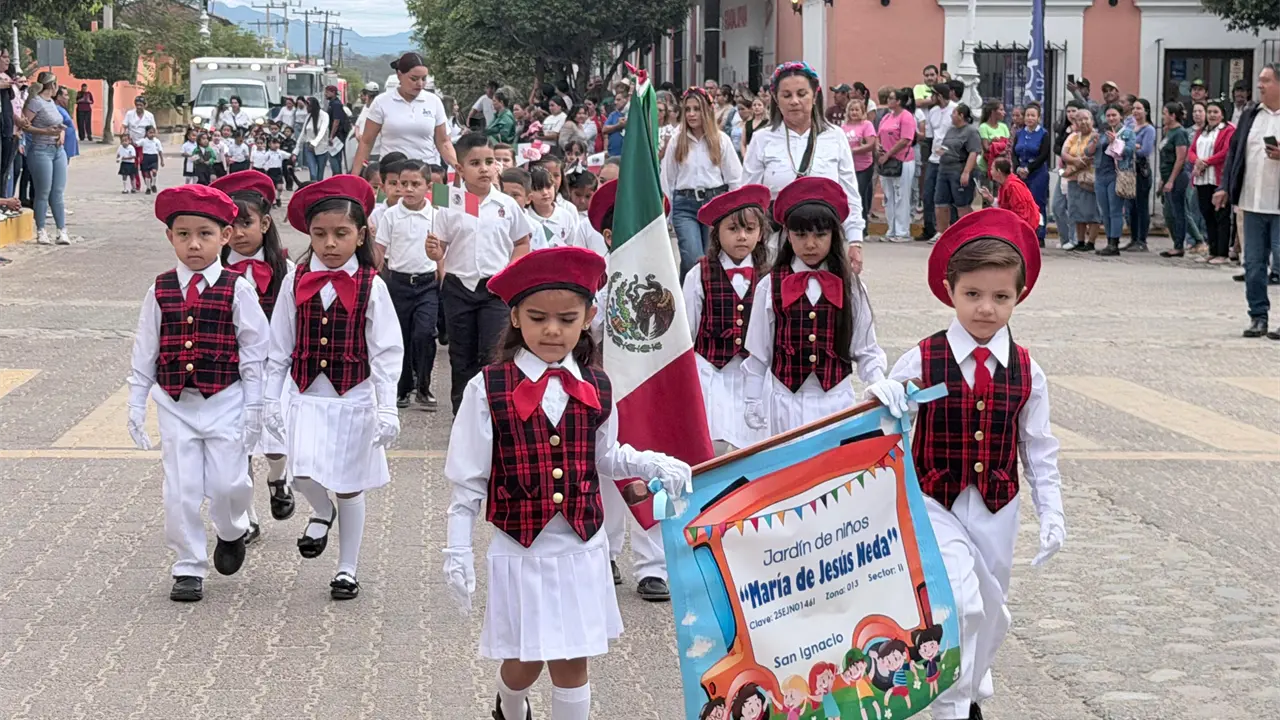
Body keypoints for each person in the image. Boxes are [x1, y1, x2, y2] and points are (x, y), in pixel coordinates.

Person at [442, 245, 692, 720]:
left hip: (581, 543)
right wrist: (456, 549)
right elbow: (469, 478)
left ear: (589, 317)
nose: (552, 330)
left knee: (573, 658)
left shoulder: (597, 384)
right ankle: (509, 704)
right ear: (515, 316)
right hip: (521, 547)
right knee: (525, 661)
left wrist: (649, 463)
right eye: (538, 318)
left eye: (566, 318)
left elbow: (603, 454)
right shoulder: (487, 387)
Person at [878, 208, 1064, 720]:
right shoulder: (922, 357)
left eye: (1001, 297)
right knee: (961, 604)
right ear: (950, 290)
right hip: (934, 501)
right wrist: (886, 402)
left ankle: (971, 680)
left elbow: (1038, 447)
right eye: (973, 295)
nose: (986, 309)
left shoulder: (1028, 370)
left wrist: (1054, 513)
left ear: (1018, 296)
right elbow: (886, 427)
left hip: (997, 505)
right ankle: (953, 706)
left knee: (993, 608)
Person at [126, 184, 270, 602]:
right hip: (176, 403)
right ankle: (188, 565)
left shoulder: (237, 288)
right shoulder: (160, 290)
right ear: (169, 237)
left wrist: (256, 406)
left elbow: (255, 351)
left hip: (226, 399)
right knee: (181, 488)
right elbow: (144, 350)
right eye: (184, 234)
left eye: (205, 234)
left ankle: (231, 529)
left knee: (229, 485)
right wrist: (137, 404)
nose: (194, 244)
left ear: (224, 236)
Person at [264, 176, 404, 601]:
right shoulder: (295, 279)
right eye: (320, 234)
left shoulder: (371, 285)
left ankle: (347, 568)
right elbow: (279, 343)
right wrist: (271, 397)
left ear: (360, 235)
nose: (329, 243)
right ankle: (321, 511)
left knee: (348, 483)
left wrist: (387, 407)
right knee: (301, 471)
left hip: (354, 395)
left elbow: (386, 352)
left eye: (341, 234)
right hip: (306, 392)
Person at [742, 177, 889, 436]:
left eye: (820, 235)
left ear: (834, 235)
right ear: (788, 236)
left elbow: (866, 349)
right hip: (785, 401)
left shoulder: (851, 286)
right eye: (800, 235)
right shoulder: (770, 285)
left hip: (835, 402)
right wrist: (752, 399)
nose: (810, 244)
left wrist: (878, 384)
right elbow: (758, 351)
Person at [209, 170, 297, 539]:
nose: (240, 233)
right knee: (237, 444)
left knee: (275, 441)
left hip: (277, 369)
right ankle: (247, 517)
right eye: (231, 225)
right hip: (232, 371)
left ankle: (279, 480)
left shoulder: (287, 271)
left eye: (246, 223)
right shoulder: (215, 273)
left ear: (264, 223)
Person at [425, 133, 534, 412]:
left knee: (493, 354)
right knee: (461, 356)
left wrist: (510, 273)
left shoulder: (506, 205)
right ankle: (462, 415)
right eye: (475, 163)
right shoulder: (452, 203)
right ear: (460, 170)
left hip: (495, 290)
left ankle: (493, 414)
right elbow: (441, 247)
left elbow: (521, 242)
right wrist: (435, 251)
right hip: (459, 288)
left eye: (490, 161)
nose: (484, 168)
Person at [743, 62, 866, 272]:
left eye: (802, 94)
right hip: (777, 244)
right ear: (775, 98)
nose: (795, 102)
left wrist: (855, 240)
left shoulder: (834, 136)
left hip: (825, 241)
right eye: (787, 95)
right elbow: (748, 195)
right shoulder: (763, 138)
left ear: (814, 95)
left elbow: (849, 193)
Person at [683, 184, 771, 454]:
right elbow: (688, 332)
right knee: (714, 444)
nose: (742, 237)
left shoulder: (769, 277)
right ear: (717, 233)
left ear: (760, 233)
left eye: (750, 229)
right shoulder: (698, 275)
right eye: (733, 229)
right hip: (712, 373)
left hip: (753, 376)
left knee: (754, 446)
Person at [1214, 63, 1280, 339]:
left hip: (1278, 206)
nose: (1260, 85)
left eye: (1265, 80)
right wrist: (1225, 187)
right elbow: (1235, 154)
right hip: (1251, 204)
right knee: (1252, 265)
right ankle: (1258, 317)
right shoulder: (1251, 115)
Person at [369, 159, 441, 410]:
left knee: (424, 334)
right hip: (397, 284)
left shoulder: (436, 215)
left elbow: (443, 252)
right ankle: (403, 388)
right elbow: (379, 251)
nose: (408, 189)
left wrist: (443, 280)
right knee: (400, 338)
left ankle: (423, 386)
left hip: (426, 285)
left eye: (415, 184)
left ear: (428, 186)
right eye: (404, 184)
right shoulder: (390, 215)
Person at [662, 86, 744, 279]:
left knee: (710, 260)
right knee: (692, 258)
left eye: (696, 109)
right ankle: (685, 302)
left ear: (706, 111)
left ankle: (704, 302)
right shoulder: (677, 141)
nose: (691, 114)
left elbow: (734, 178)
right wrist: (667, 215)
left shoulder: (720, 140)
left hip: (714, 203)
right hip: (685, 204)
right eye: (688, 109)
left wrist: (736, 211)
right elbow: (667, 179)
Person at [354, 53, 458, 175]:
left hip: (425, 175)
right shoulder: (381, 102)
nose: (420, 84)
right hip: (392, 175)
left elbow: (444, 142)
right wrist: (355, 177)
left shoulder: (434, 101)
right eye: (414, 79)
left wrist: (456, 165)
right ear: (399, 75)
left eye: (423, 79)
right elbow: (366, 142)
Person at [19, 72, 71, 245]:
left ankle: (61, 230)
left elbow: (57, 123)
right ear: (52, 85)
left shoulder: (51, 104)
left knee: (57, 192)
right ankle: (41, 230)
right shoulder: (36, 102)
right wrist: (46, 132)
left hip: (57, 150)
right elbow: (25, 125)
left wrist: (60, 132)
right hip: (41, 149)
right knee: (43, 192)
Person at [1190, 100, 1235, 265]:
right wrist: (1197, 161)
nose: (1212, 115)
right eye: (1209, 112)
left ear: (1222, 114)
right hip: (1202, 178)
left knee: (1221, 216)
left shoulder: (1228, 130)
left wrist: (1207, 161)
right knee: (1207, 213)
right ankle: (1212, 250)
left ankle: (1222, 253)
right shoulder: (1202, 131)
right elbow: (1192, 150)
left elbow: (1226, 152)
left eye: (1215, 112)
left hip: (1218, 178)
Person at [1092, 104, 1135, 257]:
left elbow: (1130, 151)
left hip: (1116, 174)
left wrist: (1116, 142)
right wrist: (1093, 141)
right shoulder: (1102, 132)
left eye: (1114, 115)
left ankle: (1114, 243)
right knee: (1105, 211)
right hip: (1100, 174)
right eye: (1108, 115)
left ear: (1121, 116)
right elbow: (1090, 151)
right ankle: (1109, 240)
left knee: (1115, 210)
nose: (1111, 118)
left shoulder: (1127, 132)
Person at [876, 88, 918, 244]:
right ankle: (891, 228)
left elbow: (906, 140)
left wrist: (888, 154)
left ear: (899, 101)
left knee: (901, 196)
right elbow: (879, 135)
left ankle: (902, 231)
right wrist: (879, 148)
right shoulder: (887, 116)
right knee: (888, 196)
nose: (888, 100)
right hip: (886, 161)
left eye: (891, 98)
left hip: (902, 160)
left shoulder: (906, 117)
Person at [935, 104, 982, 233]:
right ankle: (942, 233)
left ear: (961, 115)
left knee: (962, 204)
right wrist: (941, 151)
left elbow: (973, 152)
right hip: (944, 169)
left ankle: (969, 233)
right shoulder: (950, 130)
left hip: (959, 169)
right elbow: (947, 146)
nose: (951, 116)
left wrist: (966, 172)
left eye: (954, 113)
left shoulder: (971, 131)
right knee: (940, 203)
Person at [919, 83, 957, 242]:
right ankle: (930, 228)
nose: (930, 98)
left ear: (939, 96)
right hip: (934, 159)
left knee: (951, 196)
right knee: (928, 194)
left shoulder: (956, 109)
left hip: (950, 159)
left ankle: (953, 229)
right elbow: (929, 135)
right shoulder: (933, 112)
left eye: (932, 95)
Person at [1061, 110, 1100, 252]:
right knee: (1077, 211)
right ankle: (1080, 240)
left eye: (1086, 119)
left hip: (1090, 179)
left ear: (1092, 120)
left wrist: (1080, 162)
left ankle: (1091, 242)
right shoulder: (1073, 137)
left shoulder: (1096, 136)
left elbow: (1092, 156)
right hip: (1073, 178)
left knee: (1092, 211)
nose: (1083, 122)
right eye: (1079, 120)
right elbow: (1064, 153)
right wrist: (1075, 161)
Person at [1011, 102, 1049, 244]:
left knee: (1038, 203)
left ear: (1038, 118)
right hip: (1021, 172)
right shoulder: (1020, 133)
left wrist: (1029, 168)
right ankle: (1024, 232)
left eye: (1033, 115)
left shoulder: (1043, 134)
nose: (1030, 118)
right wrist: (1017, 168)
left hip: (1037, 172)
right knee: (1021, 204)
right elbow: (1014, 152)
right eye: (1027, 115)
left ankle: (1039, 234)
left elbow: (1044, 154)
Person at [1158, 101, 1192, 258]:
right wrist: (1163, 179)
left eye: (1165, 113)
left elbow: (1180, 158)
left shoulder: (1180, 133)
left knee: (1178, 211)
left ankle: (1179, 245)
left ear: (1173, 115)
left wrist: (1171, 179)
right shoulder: (1168, 132)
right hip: (1166, 175)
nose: (1163, 116)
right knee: (1169, 212)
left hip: (1177, 177)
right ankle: (1176, 242)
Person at [1122, 98, 1156, 252]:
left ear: (1146, 111)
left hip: (1141, 170)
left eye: (1139, 108)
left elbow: (1145, 150)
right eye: (1134, 108)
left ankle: (1142, 240)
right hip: (1128, 170)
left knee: (1141, 206)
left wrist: (1131, 147)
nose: (1136, 111)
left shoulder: (1149, 129)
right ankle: (1133, 238)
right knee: (1130, 207)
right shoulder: (1128, 126)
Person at [525, 165, 579, 250]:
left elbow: (573, 245)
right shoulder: (525, 218)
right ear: (528, 193)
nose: (545, 192)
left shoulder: (566, 216)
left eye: (548, 187)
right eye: (538, 189)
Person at [980, 157, 1040, 232]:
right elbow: (1005, 207)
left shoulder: (1013, 187)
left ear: (998, 171)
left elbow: (1021, 215)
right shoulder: (1005, 184)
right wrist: (990, 198)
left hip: (1026, 228)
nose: (990, 171)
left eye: (992, 169)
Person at [843, 99, 877, 226]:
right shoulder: (844, 127)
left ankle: (863, 227)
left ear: (862, 111)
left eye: (857, 110)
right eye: (852, 110)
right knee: (848, 196)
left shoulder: (866, 125)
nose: (854, 112)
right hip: (848, 166)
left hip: (864, 166)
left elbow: (871, 144)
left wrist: (854, 150)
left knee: (860, 195)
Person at [123, 96, 156, 192]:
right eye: (137, 105)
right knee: (134, 165)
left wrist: (150, 141)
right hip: (132, 143)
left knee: (144, 164)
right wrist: (125, 138)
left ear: (145, 105)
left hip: (144, 144)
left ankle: (149, 184)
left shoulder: (149, 116)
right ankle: (136, 185)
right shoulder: (129, 114)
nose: (139, 107)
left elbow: (153, 130)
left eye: (141, 105)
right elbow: (124, 126)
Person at [976, 101, 1010, 189]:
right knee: (987, 197)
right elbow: (986, 148)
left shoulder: (1004, 127)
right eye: (1001, 110)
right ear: (993, 112)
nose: (1004, 112)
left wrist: (994, 144)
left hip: (1001, 169)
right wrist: (999, 146)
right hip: (986, 168)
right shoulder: (983, 127)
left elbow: (1008, 146)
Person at [298, 97, 331, 181]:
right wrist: (296, 150)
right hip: (309, 148)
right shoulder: (308, 117)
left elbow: (323, 131)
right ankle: (313, 190)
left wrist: (315, 143)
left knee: (320, 175)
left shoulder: (324, 116)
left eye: (308, 106)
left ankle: (319, 192)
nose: (307, 108)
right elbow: (303, 133)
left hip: (322, 148)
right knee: (313, 174)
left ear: (314, 106)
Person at [604, 82, 630, 158]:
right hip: (613, 154)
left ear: (626, 99)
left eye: (619, 100)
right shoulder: (613, 115)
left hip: (627, 155)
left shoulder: (633, 114)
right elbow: (604, 129)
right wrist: (617, 126)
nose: (615, 102)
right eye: (615, 100)